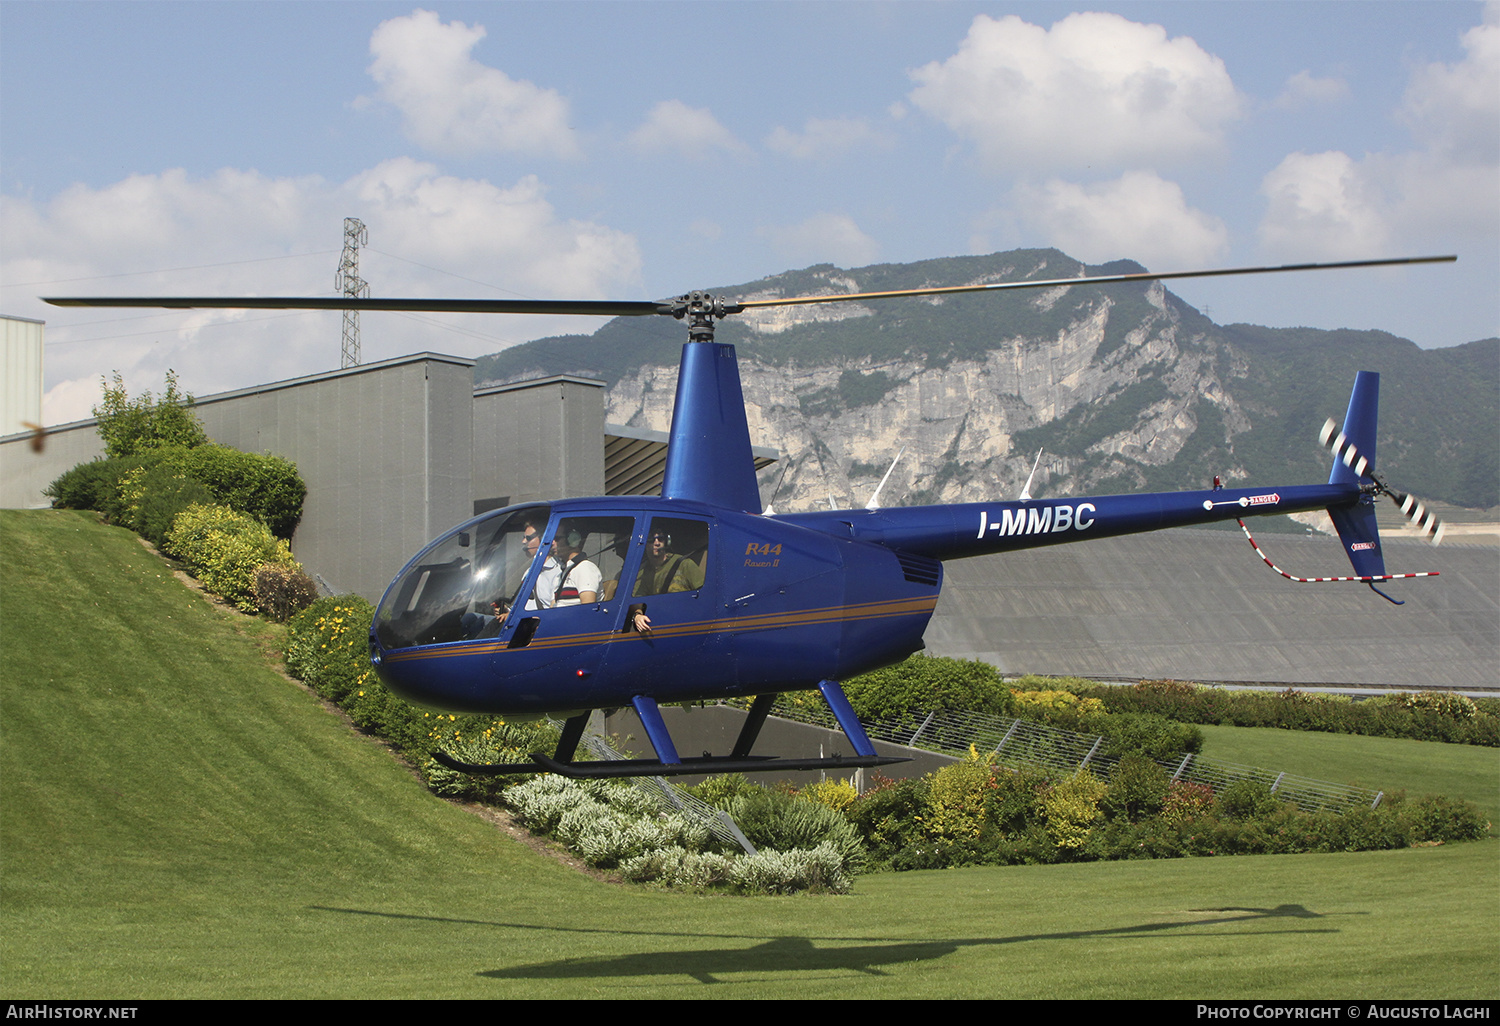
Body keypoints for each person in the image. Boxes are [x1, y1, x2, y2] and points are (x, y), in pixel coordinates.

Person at [629, 527, 705, 634]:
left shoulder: (685, 564)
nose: (657, 543)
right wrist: (637, 616)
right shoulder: (643, 573)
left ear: (666, 542)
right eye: (651, 539)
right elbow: (637, 600)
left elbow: (706, 595)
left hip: (686, 624)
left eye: (660, 539)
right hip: (662, 625)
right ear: (644, 543)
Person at [538, 525, 601, 608]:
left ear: (572, 540)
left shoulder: (584, 568)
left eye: (557, 539)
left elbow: (588, 609)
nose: (552, 543)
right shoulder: (562, 573)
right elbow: (553, 607)